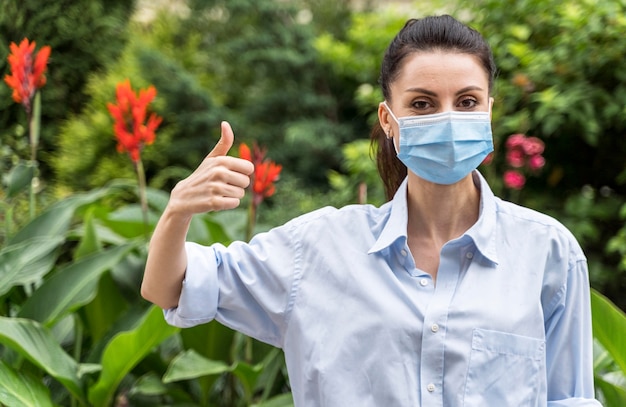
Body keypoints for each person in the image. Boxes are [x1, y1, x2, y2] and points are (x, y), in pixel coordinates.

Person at [141, 14, 602, 406]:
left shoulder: (548, 251)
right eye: (422, 104)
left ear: (488, 111)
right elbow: (170, 288)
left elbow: (571, 397)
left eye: (466, 102)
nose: (446, 118)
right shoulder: (319, 248)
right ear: (388, 120)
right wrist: (177, 210)